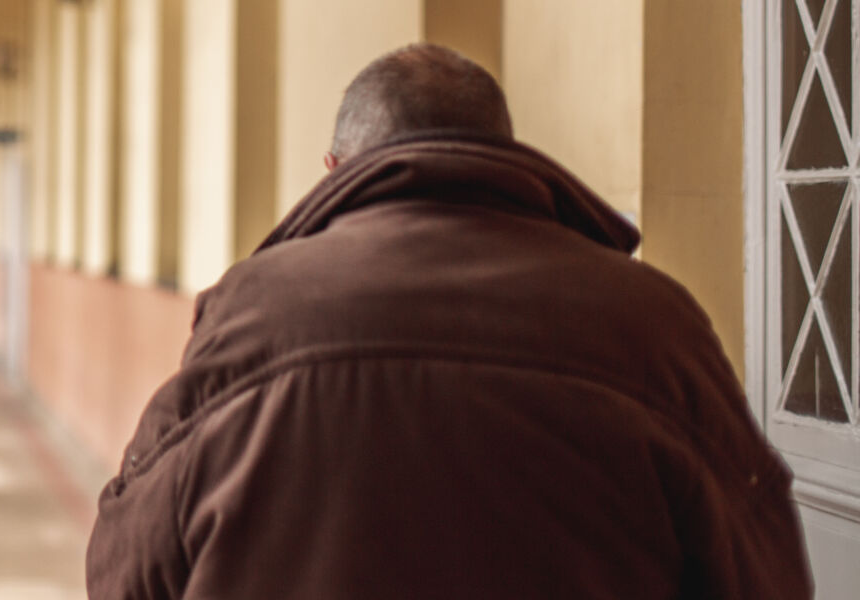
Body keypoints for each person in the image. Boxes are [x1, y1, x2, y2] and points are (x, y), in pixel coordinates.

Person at [87, 44, 812, 599]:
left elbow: (125, 568)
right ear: (504, 153)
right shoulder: (653, 321)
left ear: (334, 168)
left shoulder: (253, 312)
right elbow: (763, 569)